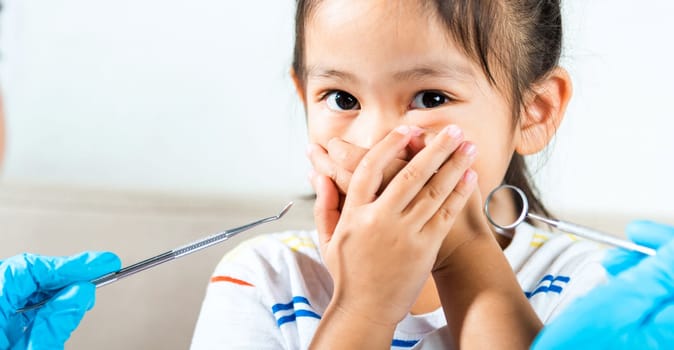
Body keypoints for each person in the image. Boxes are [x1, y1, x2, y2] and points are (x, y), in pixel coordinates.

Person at [190, 0, 607, 348]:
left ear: (534, 113)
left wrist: (461, 253)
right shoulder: (266, 277)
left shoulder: (595, 286)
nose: (374, 140)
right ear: (304, 97)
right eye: (342, 98)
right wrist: (362, 306)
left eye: (430, 98)